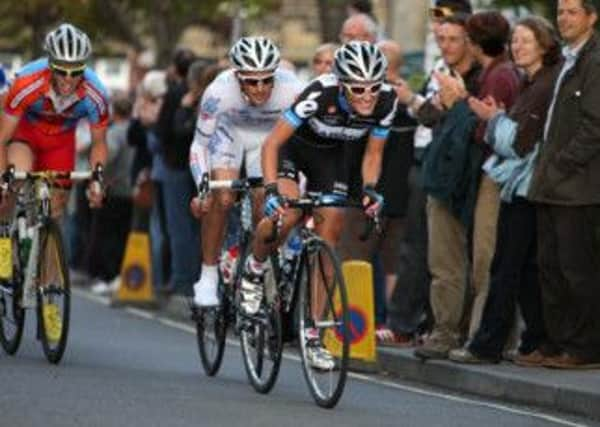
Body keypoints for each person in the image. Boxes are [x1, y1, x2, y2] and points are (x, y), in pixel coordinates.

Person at [241, 41, 395, 369]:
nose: (368, 95)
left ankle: (312, 333)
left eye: (373, 87)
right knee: (289, 212)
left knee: (332, 231)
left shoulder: (387, 101)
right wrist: (271, 192)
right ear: (341, 84)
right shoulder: (319, 94)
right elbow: (271, 144)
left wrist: (369, 189)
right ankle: (254, 269)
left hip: (333, 159)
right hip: (292, 151)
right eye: (357, 88)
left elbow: (374, 154)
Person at [448, 16, 562, 365]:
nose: (517, 46)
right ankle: (536, 340)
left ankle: (488, 344)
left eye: (526, 40)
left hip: (526, 187)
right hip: (524, 186)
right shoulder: (532, 83)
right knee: (525, 268)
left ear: (544, 45)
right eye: (515, 41)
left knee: (506, 266)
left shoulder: (542, 87)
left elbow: (519, 144)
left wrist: (492, 119)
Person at [189, 36, 303, 307]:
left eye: (267, 79)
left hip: (269, 140)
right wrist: (202, 188)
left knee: (265, 200)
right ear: (238, 77)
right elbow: (199, 145)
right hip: (231, 134)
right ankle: (208, 274)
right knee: (223, 197)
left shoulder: (294, 89)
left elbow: (305, 144)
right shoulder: (218, 92)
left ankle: (252, 261)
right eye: (252, 81)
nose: (261, 88)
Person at [528, 0, 600, 369]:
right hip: (552, 185)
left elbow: (594, 127)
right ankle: (557, 344)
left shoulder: (595, 60)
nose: (563, 18)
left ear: (592, 16)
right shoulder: (569, 59)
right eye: (560, 12)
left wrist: (558, 165)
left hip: (578, 187)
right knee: (550, 267)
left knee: (577, 270)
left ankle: (585, 348)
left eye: (572, 11)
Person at [336, 39, 417, 345]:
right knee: (391, 263)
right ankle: (385, 323)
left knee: (354, 258)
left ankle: (350, 328)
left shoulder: (383, 98)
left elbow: (369, 152)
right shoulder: (407, 98)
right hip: (393, 193)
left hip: (368, 194)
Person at [0, 23, 107, 213]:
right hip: (26, 133)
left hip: (60, 141)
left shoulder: (96, 93)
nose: (68, 78)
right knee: (14, 182)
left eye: (75, 71)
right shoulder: (26, 82)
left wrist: (97, 180)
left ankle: (45, 237)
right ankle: (5, 239)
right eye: (61, 69)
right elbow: (2, 138)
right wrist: (2, 180)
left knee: (55, 207)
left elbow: (99, 142)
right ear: (50, 64)